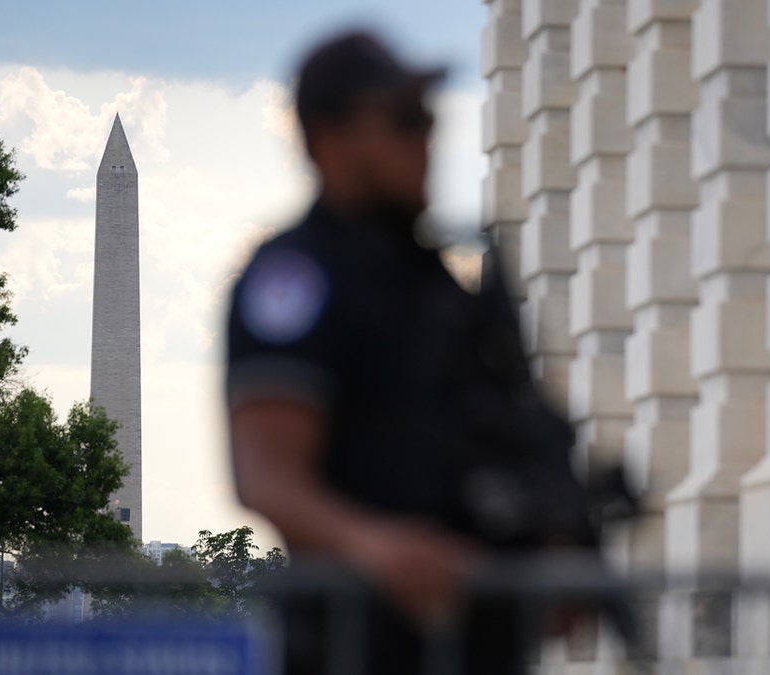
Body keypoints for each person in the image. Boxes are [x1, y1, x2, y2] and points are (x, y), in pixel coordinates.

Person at [224, 29, 593, 674]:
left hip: (476, 644)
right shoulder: (296, 277)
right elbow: (268, 475)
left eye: (427, 120)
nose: (425, 141)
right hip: (358, 644)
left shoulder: (442, 283)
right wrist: (375, 546)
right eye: (403, 121)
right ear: (328, 141)